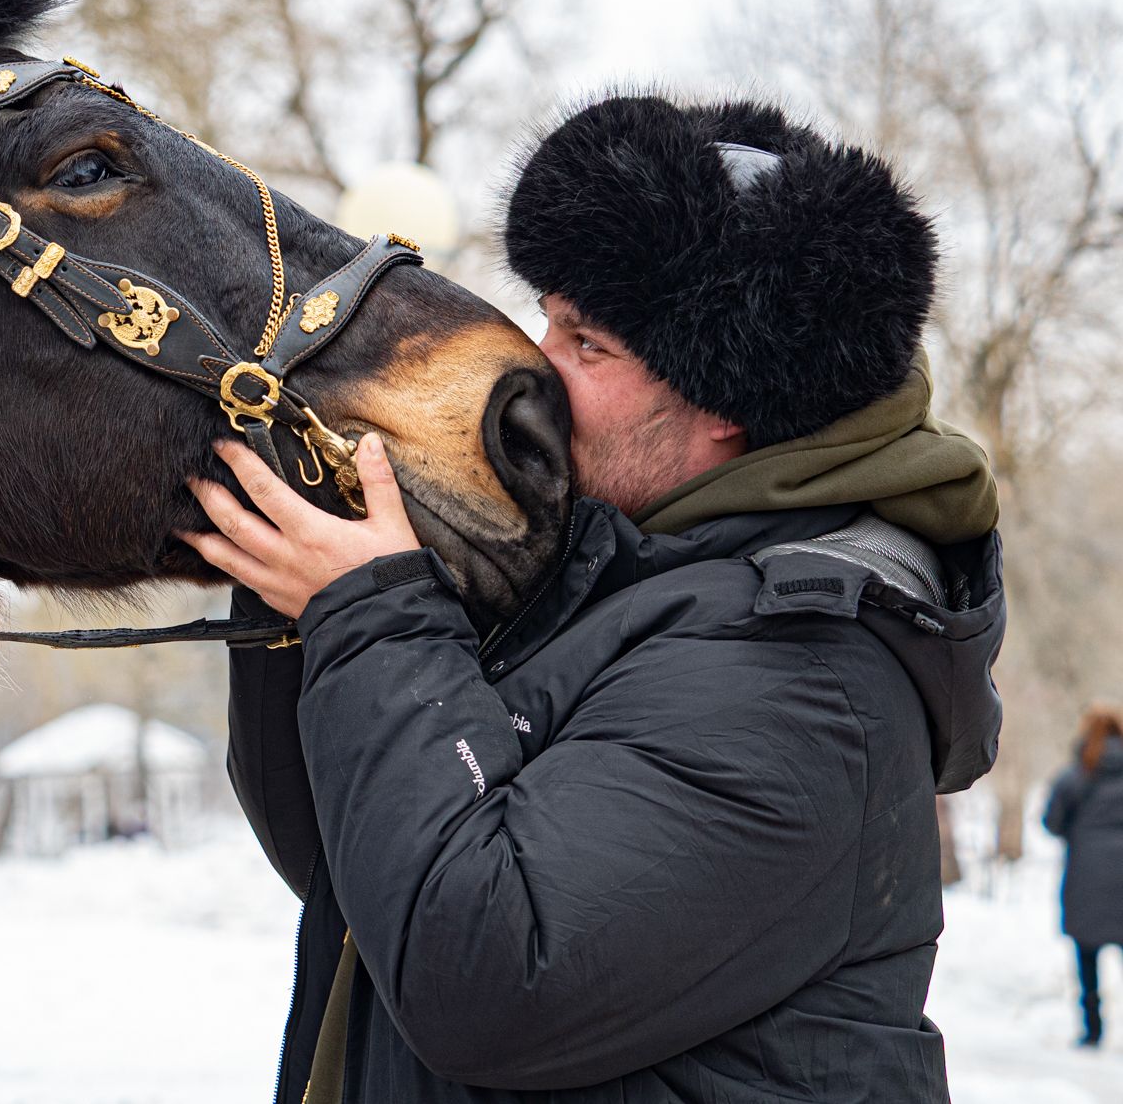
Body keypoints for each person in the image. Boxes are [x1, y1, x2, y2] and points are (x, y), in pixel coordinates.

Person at [184, 94, 1006, 1103]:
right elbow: (354, 871)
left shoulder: (801, 673)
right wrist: (308, 599)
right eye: (549, 317)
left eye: (587, 344)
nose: (535, 364)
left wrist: (376, 617)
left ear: (727, 411)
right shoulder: (610, 573)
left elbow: (487, 979)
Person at [1044, 704, 1123, 1048]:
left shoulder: (1076, 776)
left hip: (1086, 876)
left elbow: (1051, 822)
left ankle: (1093, 1030)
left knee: (1086, 957)